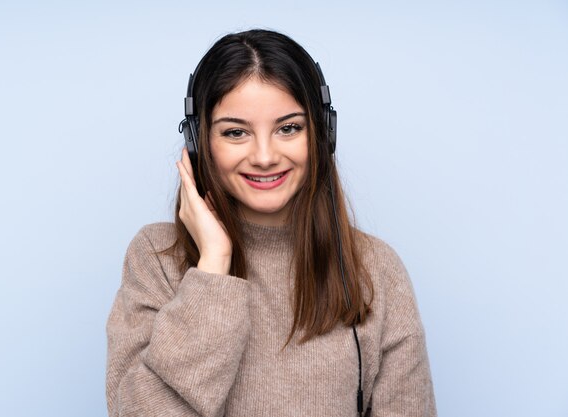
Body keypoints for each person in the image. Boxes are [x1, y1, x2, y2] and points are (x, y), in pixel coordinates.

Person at [106, 29, 436, 417]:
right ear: (199, 142)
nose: (264, 156)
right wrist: (213, 266)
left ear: (322, 135)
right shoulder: (157, 259)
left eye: (288, 128)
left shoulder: (376, 268)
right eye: (236, 132)